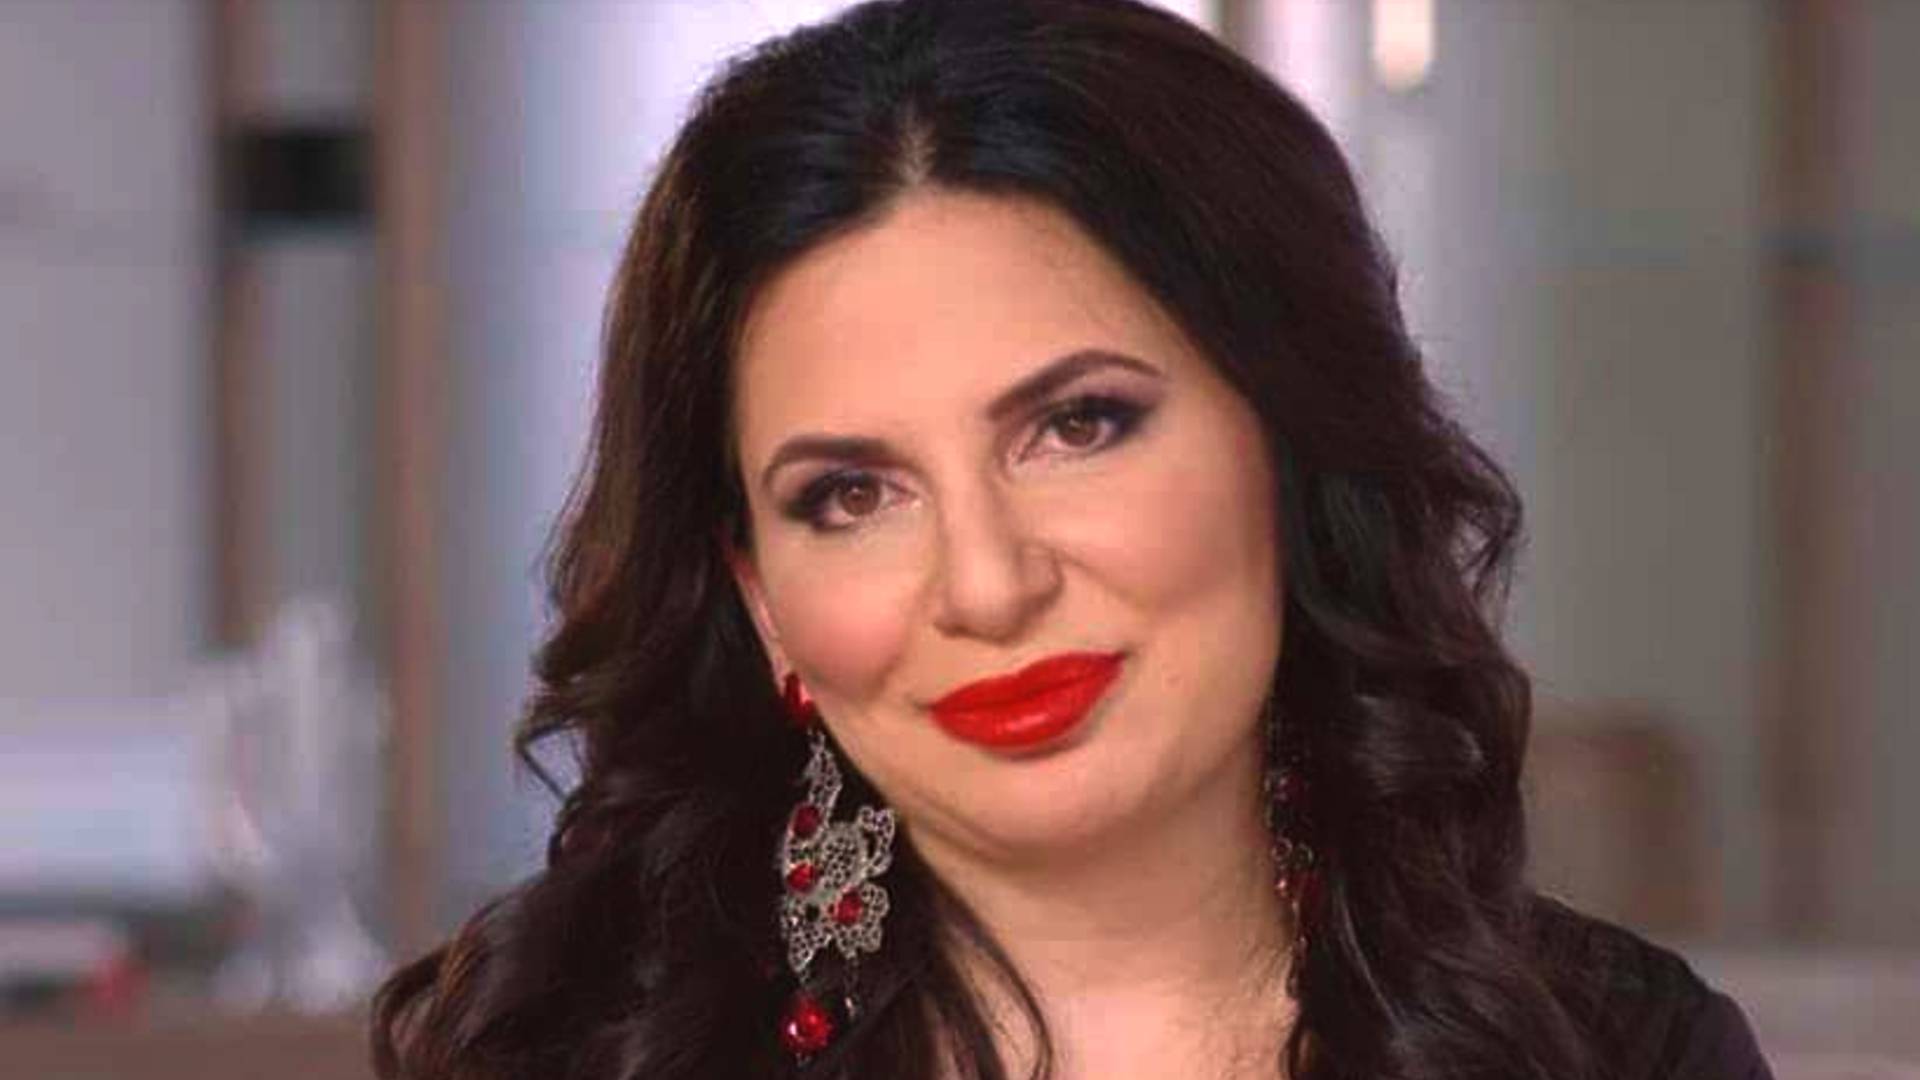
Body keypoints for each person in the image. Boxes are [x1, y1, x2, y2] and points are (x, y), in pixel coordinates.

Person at [370, 1, 1774, 1077]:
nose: (988, 586)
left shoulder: (1611, 1052)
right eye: (850, 495)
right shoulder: (566, 1056)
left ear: (1290, 447)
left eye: (1078, 424)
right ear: (762, 601)